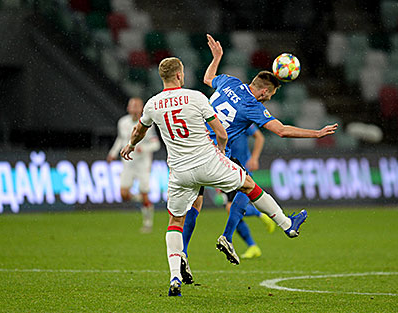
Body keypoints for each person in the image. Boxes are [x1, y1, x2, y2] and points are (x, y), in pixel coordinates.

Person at [120, 57, 309, 297]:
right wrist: (220, 153)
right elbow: (221, 131)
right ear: (180, 75)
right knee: (249, 185)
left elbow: (139, 130)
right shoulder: (196, 97)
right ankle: (286, 224)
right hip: (208, 162)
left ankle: (175, 276)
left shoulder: (152, 104)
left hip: (178, 172)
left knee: (175, 222)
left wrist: (129, 145)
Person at [181, 34, 338, 270]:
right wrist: (316, 134)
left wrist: (217, 57)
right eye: (271, 96)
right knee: (247, 187)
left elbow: (207, 78)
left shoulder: (230, 82)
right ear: (264, 92)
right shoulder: (253, 105)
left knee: (195, 203)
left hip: (193, 147)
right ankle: (236, 234)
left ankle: (182, 254)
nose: (269, 100)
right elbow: (282, 130)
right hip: (217, 154)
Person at [221, 124, 275, 259]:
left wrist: (254, 158)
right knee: (230, 209)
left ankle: (259, 217)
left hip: (242, 169)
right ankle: (253, 245)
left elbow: (259, 137)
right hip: (227, 169)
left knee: (230, 208)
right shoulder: (217, 121)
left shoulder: (241, 118)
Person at [107, 97, 160, 233]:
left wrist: (144, 149)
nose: (135, 109)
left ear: (142, 109)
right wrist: (113, 153)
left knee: (144, 192)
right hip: (128, 164)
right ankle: (142, 200)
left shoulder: (147, 123)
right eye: (132, 106)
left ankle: (147, 223)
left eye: (137, 106)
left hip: (143, 165)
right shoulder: (122, 122)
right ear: (128, 108)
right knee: (123, 194)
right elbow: (121, 139)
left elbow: (156, 144)